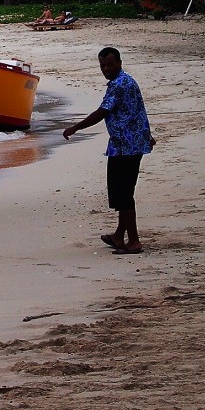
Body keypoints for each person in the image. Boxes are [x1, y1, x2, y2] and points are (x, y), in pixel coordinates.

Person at [62, 46, 154, 254]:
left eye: (110, 65)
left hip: (125, 146)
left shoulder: (119, 85)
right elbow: (139, 109)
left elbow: (101, 112)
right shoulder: (128, 80)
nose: (106, 69)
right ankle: (119, 236)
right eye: (103, 65)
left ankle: (134, 241)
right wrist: (147, 134)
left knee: (124, 194)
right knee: (124, 192)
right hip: (130, 143)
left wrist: (75, 127)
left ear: (119, 63)